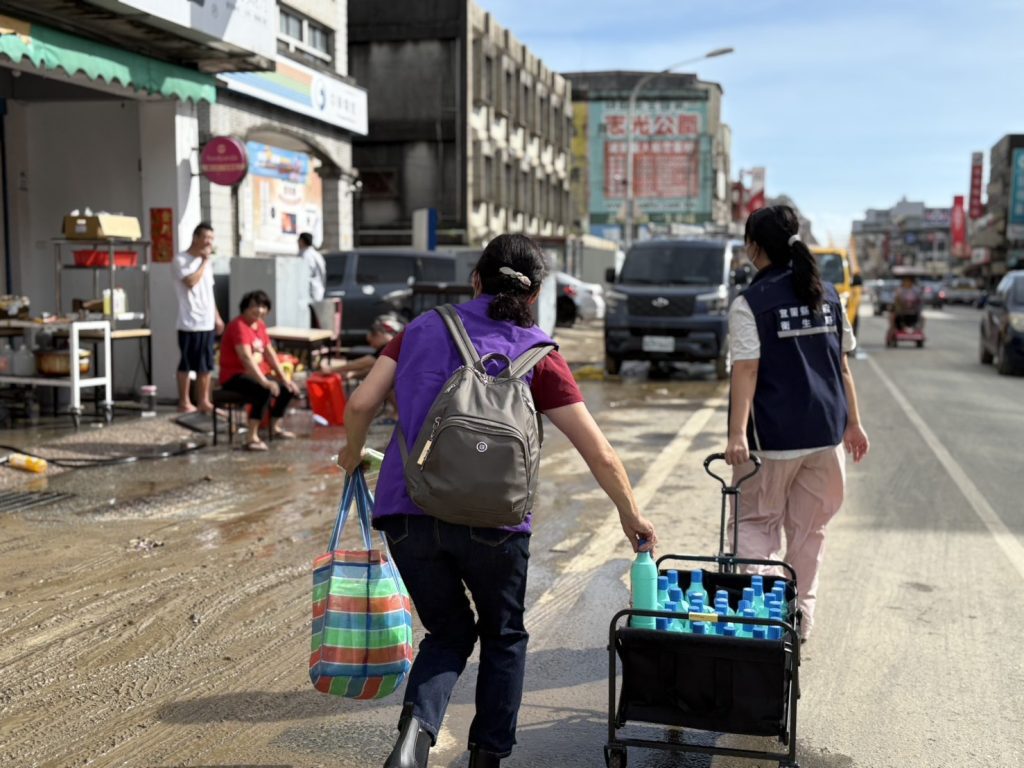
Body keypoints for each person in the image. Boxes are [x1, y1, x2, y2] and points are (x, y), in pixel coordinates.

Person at [337, 234, 656, 768]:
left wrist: (352, 455)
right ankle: (487, 758)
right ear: (533, 296)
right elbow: (598, 451)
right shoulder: (538, 352)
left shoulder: (421, 328)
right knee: (503, 636)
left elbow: (360, 403)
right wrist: (631, 513)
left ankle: (415, 736)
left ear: (476, 280)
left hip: (409, 511)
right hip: (498, 525)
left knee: (447, 632)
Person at [725, 205, 869, 642]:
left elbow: (746, 370)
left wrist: (736, 436)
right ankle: (800, 620)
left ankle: (761, 622)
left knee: (756, 524)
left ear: (754, 247)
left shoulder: (751, 303)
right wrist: (854, 425)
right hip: (826, 435)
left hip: (773, 441)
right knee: (810, 532)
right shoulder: (826, 293)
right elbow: (841, 366)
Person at [219, 290, 301, 451]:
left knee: (287, 389)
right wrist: (264, 381)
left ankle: (274, 426)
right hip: (234, 376)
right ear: (245, 308)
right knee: (262, 390)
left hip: (255, 373)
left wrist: (285, 379)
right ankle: (251, 436)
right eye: (255, 306)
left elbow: (270, 354)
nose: (260, 310)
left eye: (263, 306)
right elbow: (245, 357)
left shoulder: (260, 326)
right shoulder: (238, 326)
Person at [172, 223, 225, 413]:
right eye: (206, 238)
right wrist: (203, 262)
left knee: (206, 364)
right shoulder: (180, 259)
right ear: (196, 237)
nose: (209, 242)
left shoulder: (206, 264)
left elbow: (209, 292)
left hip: (207, 322)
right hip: (188, 322)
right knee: (186, 363)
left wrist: (217, 317)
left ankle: (204, 401)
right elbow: (191, 282)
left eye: (211, 238)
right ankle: (184, 401)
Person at [326, 314, 404, 382]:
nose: (371, 346)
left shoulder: (391, 345)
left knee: (382, 385)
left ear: (379, 334)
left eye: (371, 342)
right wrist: (353, 374)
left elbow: (368, 362)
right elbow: (375, 368)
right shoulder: (393, 344)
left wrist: (332, 369)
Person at [299, 232, 327, 327]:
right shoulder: (317, 255)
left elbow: (304, 274)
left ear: (302, 241)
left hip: (310, 293)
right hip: (319, 290)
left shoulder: (306, 255)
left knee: (311, 321)